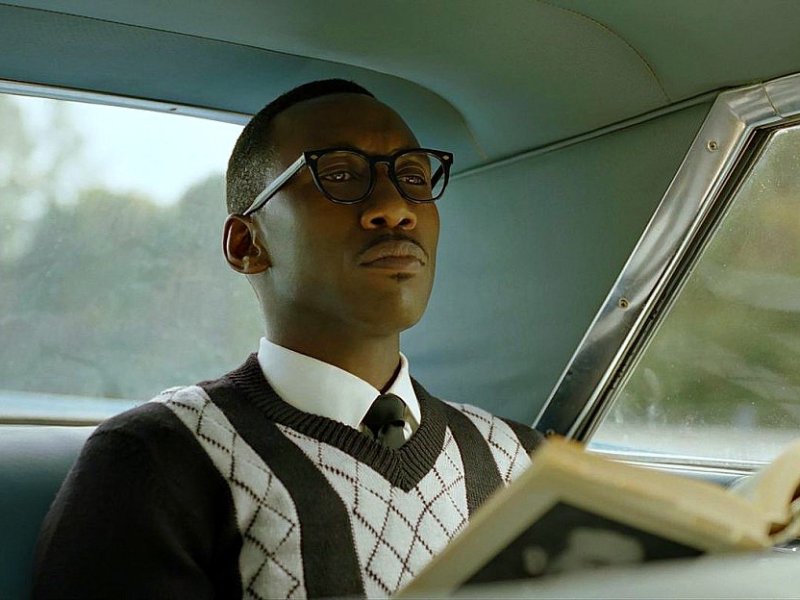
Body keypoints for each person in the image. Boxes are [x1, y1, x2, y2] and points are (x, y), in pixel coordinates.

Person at [32, 79, 542, 599]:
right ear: (246, 244)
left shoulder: (524, 462)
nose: (395, 207)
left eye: (412, 176)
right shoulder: (156, 461)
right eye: (339, 175)